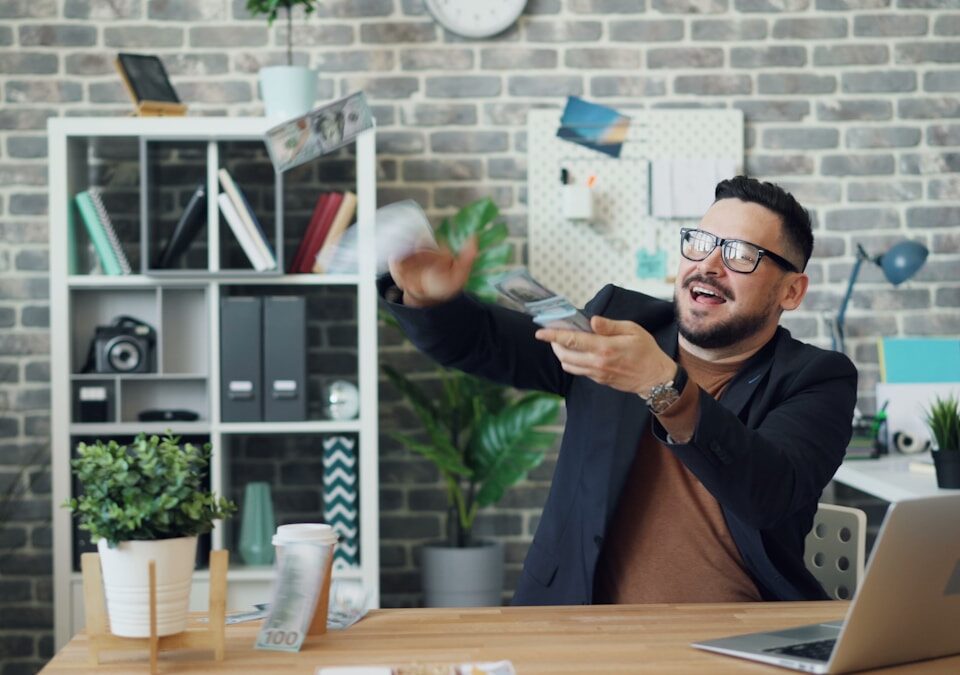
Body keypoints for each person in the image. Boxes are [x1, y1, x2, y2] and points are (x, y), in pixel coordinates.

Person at [379, 176, 858, 605]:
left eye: (740, 254)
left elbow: (769, 493)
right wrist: (429, 298)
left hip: (739, 640)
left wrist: (662, 385)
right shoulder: (622, 322)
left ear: (791, 292)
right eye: (700, 242)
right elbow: (486, 343)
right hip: (581, 630)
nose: (709, 264)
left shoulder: (817, 378)